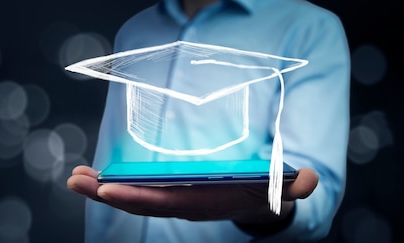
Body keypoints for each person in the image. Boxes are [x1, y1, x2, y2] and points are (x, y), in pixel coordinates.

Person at [67, 0, 350, 242]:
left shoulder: (309, 28)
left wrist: (262, 210)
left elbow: (316, 198)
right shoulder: (135, 31)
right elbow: (112, 150)